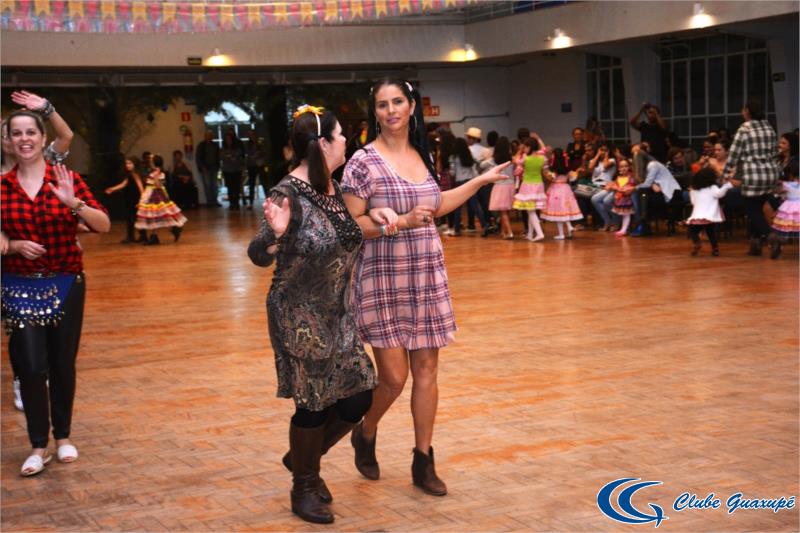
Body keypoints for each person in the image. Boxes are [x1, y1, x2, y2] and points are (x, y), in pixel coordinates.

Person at [341, 78, 509, 497]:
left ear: (412, 106)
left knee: (427, 372)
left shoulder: (422, 154)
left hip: (425, 274)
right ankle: (366, 429)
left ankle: (423, 459)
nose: (391, 110)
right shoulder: (362, 161)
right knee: (393, 379)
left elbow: (435, 206)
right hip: (382, 277)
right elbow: (352, 226)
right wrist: (399, 222)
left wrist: (479, 182)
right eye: (382, 105)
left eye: (398, 101)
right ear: (375, 112)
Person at [247, 105, 380, 524]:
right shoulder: (286, 193)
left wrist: (373, 218)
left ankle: (302, 459)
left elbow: (343, 233)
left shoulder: (331, 187)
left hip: (337, 311)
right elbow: (257, 253)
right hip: (298, 314)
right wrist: (277, 236)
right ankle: (303, 486)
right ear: (323, 144)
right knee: (314, 404)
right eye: (342, 137)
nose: (347, 144)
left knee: (359, 395)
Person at [1, 110, 110, 476]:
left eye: (30, 132)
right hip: (19, 284)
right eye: (17, 133)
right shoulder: (2, 187)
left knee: (62, 364)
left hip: (65, 282)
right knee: (31, 366)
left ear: (43, 138)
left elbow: (103, 225)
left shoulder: (66, 179)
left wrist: (73, 203)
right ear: (9, 141)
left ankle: (62, 437)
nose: (24, 138)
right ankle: (38, 445)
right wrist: (13, 244)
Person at [722, 99, 782, 256]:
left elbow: (733, 155)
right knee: (758, 208)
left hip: (753, 175)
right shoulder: (769, 127)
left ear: (747, 111)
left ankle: (771, 236)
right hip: (770, 174)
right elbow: (775, 152)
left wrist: (725, 174)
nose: (742, 112)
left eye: (743, 109)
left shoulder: (744, 129)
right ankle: (755, 245)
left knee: (752, 210)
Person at [134, 155, 186, 244]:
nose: (149, 161)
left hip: (155, 195)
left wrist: (155, 177)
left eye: (151, 160)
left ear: (154, 162)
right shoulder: (154, 171)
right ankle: (171, 230)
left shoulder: (157, 172)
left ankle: (156, 236)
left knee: (156, 215)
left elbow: (158, 185)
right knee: (156, 216)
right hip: (151, 193)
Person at [686, 167, 733, 257]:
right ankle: (715, 249)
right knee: (711, 233)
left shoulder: (694, 190)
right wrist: (727, 185)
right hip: (710, 215)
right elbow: (719, 194)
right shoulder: (712, 187)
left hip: (698, 215)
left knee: (693, 230)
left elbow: (693, 202)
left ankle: (697, 242)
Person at [512, 135, 549, 242]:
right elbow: (544, 150)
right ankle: (530, 234)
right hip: (539, 185)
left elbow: (515, 160)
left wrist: (519, 151)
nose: (524, 149)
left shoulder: (525, 158)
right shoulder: (542, 158)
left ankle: (539, 233)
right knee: (531, 210)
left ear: (529, 147)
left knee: (530, 211)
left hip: (527, 185)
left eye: (526, 147)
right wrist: (539, 139)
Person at [450, 137, 489, 236]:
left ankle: (457, 229)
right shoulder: (469, 155)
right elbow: (477, 165)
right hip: (470, 181)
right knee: (475, 205)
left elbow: (452, 172)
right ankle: (484, 226)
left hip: (459, 182)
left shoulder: (453, 157)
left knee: (457, 206)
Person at [542, 148, 582, 239]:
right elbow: (573, 178)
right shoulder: (567, 169)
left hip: (555, 190)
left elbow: (550, 178)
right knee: (565, 210)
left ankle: (561, 234)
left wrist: (545, 171)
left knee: (558, 212)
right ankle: (569, 228)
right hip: (566, 189)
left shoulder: (554, 170)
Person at [104, 157, 144, 243]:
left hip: (135, 199)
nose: (127, 165)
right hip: (131, 198)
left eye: (130, 163)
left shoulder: (135, 174)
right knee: (133, 217)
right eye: (126, 163)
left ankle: (138, 236)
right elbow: (124, 184)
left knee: (134, 217)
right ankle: (136, 236)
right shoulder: (130, 174)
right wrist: (112, 189)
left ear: (135, 164)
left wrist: (142, 199)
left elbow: (140, 187)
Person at [768, 162, 799, 259]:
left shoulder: (785, 184)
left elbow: (776, 192)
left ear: (790, 174)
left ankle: (778, 246)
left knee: (783, 228)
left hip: (788, 207)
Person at [488, 136, 516, 239]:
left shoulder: (494, 160)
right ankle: (503, 232)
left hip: (500, 186)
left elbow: (483, 166)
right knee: (506, 211)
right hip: (510, 185)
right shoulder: (512, 159)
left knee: (502, 212)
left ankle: (509, 232)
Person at [608, 158, 636, 237]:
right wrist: (615, 187)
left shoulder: (631, 177)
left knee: (626, 214)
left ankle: (624, 229)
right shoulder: (618, 177)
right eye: (621, 167)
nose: (624, 168)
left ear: (629, 167)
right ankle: (623, 228)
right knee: (623, 215)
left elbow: (630, 187)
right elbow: (614, 185)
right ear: (619, 168)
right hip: (620, 198)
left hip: (626, 199)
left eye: (626, 166)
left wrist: (621, 189)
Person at [195, 129, 221, 207]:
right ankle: (209, 202)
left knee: (215, 185)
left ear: (212, 137)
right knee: (207, 185)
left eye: (210, 136)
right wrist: (202, 167)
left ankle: (215, 201)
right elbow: (198, 157)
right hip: (205, 168)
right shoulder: (201, 145)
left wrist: (218, 166)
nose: (209, 137)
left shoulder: (215, 145)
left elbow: (218, 157)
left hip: (214, 167)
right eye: (207, 136)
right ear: (205, 136)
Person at [220, 130, 245, 210]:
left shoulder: (237, 148)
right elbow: (222, 157)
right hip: (227, 171)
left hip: (237, 170)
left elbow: (240, 157)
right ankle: (231, 203)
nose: (228, 141)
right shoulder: (223, 149)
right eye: (227, 139)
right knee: (230, 188)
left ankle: (236, 203)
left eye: (230, 139)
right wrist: (231, 157)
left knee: (236, 187)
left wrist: (231, 157)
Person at [244, 130, 267, 209]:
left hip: (260, 165)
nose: (251, 136)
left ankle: (268, 201)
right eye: (250, 135)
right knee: (251, 184)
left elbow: (264, 152)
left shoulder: (260, 143)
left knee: (264, 183)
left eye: (253, 134)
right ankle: (251, 203)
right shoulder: (247, 144)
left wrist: (259, 155)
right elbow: (247, 154)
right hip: (251, 166)